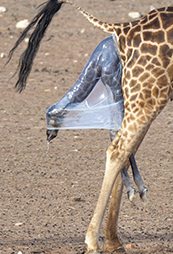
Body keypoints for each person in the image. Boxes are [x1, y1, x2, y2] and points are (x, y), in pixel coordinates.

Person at [46, 37, 147, 201]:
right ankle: (131, 180)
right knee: (118, 124)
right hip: (112, 54)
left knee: (117, 124)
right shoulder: (108, 59)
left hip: (113, 51)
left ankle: (132, 179)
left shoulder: (107, 55)